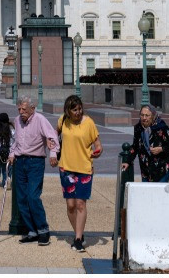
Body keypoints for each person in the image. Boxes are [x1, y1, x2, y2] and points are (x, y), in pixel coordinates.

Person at [9, 95, 60, 246]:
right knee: (21, 198)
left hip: (35, 162)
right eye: (19, 109)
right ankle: (31, 231)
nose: (21, 112)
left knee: (33, 196)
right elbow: (16, 141)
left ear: (32, 109)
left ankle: (43, 230)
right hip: (20, 161)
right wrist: (12, 154)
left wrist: (53, 153)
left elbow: (53, 137)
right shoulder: (17, 121)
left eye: (24, 109)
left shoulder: (40, 119)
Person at [55, 95, 101, 253]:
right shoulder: (62, 121)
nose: (78, 112)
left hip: (84, 168)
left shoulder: (88, 122)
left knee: (81, 204)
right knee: (70, 205)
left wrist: (98, 151)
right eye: (74, 110)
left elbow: (97, 143)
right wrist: (52, 148)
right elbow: (54, 135)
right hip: (66, 167)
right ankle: (78, 232)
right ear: (67, 111)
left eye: (80, 109)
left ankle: (78, 239)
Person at [122, 104, 169, 182]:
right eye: (142, 115)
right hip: (146, 170)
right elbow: (135, 146)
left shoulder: (161, 127)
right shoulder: (138, 128)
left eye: (147, 115)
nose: (144, 118)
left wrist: (161, 149)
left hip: (161, 169)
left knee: (159, 193)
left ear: (153, 116)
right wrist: (127, 162)